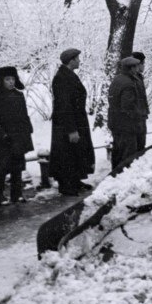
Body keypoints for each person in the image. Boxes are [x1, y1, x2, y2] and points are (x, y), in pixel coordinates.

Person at [0, 67, 34, 207]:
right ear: (1, 80)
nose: (11, 82)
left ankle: (16, 195)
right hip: (4, 140)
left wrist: (28, 128)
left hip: (19, 138)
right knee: (1, 169)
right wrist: (2, 134)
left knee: (17, 168)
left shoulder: (18, 95)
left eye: (13, 79)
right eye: (7, 79)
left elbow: (24, 115)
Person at [50, 48, 95, 196]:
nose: (79, 61)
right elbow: (64, 106)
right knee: (66, 154)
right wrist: (71, 129)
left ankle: (75, 180)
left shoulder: (68, 75)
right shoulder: (62, 78)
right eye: (77, 59)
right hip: (67, 123)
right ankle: (66, 185)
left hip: (76, 120)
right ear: (71, 61)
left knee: (75, 152)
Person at [107, 56, 147, 170]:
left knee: (118, 151)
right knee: (128, 154)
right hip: (126, 125)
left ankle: (115, 174)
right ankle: (123, 176)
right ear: (131, 68)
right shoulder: (128, 83)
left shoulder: (117, 79)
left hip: (116, 122)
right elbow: (128, 106)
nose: (137, 69)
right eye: (135, 67)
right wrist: (138, 117)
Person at [131, 51, 150, 152]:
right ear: (138, 64)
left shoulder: (138, 78)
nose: (144, 66)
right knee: (139, 144)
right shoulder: (134, 79)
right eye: (143, 64)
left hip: (141, 115)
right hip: (138, 117)